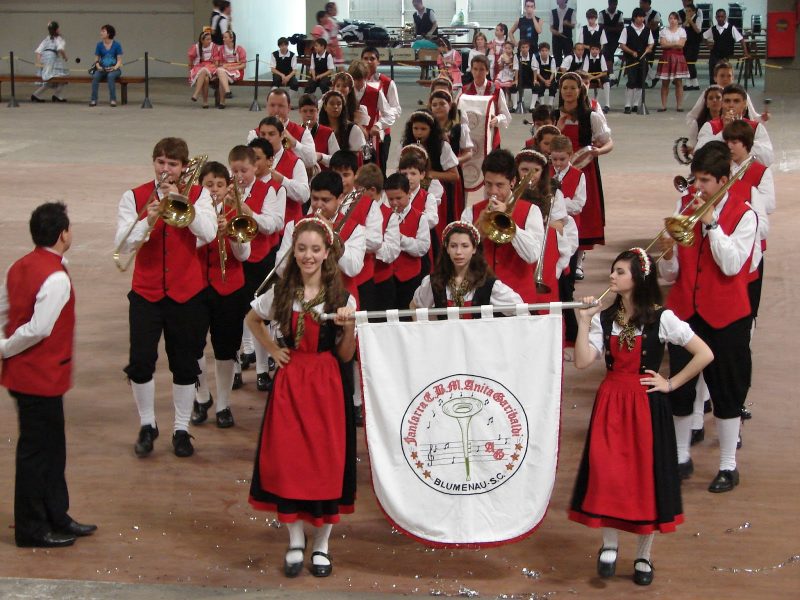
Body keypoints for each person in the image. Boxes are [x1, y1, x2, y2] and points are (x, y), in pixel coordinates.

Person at [569, 249, 713, 586]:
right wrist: (584, 322)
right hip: (611, 402)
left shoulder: (662, 318)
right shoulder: (605, 318)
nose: (613, 277)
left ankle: (644, 555)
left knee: (645, 480)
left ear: (637, 277)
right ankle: (609, 545)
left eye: (620, 272)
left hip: (646, 405)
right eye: (614, 271)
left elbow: (704, 353)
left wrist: (670, 383)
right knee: (606, 472)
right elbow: (581, 362)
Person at [246, 217, 357, 578]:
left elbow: (344, 356)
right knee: (289, 459)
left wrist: (350, 325)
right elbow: (252, 319)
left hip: (326, 383)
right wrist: (272, 350)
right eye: (301, 249)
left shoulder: (342, 297)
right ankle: (296, 539)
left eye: (315, 249)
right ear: (293, 252)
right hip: (291, 383)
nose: (308, 256)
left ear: (327, 254)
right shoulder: (280, 292)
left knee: (326, 461)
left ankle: (322, 543)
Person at [658, 142, 757, 493]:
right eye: (695, 180)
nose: (697, 188)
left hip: (727, 316)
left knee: (727, 391)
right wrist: (668, 254)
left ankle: (728, 465)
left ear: (723, 181)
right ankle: (681, 455)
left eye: (705, 181)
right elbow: (670, 274)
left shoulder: (745, 215)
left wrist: (712, 226)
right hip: (687, 312)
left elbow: (732, 265)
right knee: (681, 387)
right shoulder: (685, 207)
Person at [1, 202, 97, 548]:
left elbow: (4, 308)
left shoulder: (21, 266)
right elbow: (39, 329)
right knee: (37, 454)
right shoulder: (55, 276)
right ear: (63, 234)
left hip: (30, 376)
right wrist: (5, 347)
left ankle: (57, 514)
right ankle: (31, 528)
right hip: (37, 377)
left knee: (52, 449)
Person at [114, 138, 217, 458]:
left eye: (172, 164)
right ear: (153, 163)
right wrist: (150, 216)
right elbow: (122, 243)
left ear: (183, 167)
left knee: (185, 365)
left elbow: (210, 232)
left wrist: (181, 203)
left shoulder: (198, 195)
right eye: (160, 162)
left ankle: (181, 429)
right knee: (141, 362)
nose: (165, 168)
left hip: (187, 294)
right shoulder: (133, 197)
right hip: (146, 293)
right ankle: (148, 424)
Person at [192, 162, 252, 428]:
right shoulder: (192, 213)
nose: (214, 190)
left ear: (228, 186)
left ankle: (224, 405)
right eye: (209, 185)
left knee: (225, 349)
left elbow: (244, 255)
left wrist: (231, 233)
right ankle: (201, 396)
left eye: (219, 185)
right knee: (192, 346)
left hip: (229, 288)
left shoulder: (235, 211)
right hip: (195, 286)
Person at [461, 149, 544, 303]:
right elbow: (459, 256)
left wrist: (510, 224)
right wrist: (478, 229)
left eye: (500, 185)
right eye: (488, 184)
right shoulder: (470, 212)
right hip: (481, 295)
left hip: (518, 296)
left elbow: (532, 255)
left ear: (513, 182)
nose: (493, 191)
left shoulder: (531, 211)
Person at [554, 72, 613, 254]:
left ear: (580, 91)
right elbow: (542, 142)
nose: (568, 91)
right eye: (565, 88)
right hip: (555, 171)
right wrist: (558, 128)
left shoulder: (591, 116)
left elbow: (609, 142)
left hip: (584, 172)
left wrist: (598, 151)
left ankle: (578, 259)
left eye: (573, 88)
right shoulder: (554, 115)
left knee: (583, 215)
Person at [411, 221, 523, 314]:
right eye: (453, 246)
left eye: (465, 246)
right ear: (447, 249)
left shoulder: (488, 284)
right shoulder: (434, 282)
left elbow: (520, 310)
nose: (458, 252)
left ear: (474, 249)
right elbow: (415, 307)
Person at [695, 84, 773, 167]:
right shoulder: (710, 126)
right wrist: (724, 132)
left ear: (744, 105)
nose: (731, 105)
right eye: (727, 101)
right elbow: (699, 156)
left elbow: (768, 159)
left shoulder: (756, 127)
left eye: (736, 101)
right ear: (722, 104)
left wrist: (742, 137)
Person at [361, 47, 401, 173]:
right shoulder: (354, 82)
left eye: (372, 59)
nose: (368, 61)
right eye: (365, 58)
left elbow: (396, 109)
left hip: (380, 134)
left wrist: (379, 117)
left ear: (378, 62)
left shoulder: (387, 83)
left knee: (379, 170)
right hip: (360, 133)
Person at [461, 55, 513, 148]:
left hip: (491, 136)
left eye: (481, 69)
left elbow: (506, 116)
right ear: (471, 70)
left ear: (487, 71)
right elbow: (457, 114)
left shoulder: (496, 90)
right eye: (475, 69)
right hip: (470, 138)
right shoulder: (464, 91)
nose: (478, 73)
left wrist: (497, 119)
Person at [618, 8, 654, 114]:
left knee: (640, 82)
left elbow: (651, 43)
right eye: (640, 17)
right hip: (631, 59)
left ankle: (635, 104)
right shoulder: (627, 29)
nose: (642, 19)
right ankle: (627, 105)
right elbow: (622, 45)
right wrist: (631, 52)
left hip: (643, 59)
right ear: (635, 17)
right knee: (631, 81)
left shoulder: (647, 30)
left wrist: (649, 48)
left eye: (643, 17)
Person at [704, 9, 749, 85]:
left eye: (722, 16)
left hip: (726, 55)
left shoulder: (731, 28)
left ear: (725, 17)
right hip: (715, 55)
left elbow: (741, 39)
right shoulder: (713, 29)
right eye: (718, 17)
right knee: (713, 74)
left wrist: (745, 52)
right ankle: (713, 89)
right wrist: (708, 45)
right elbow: (704, 36)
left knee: (724, 74)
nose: (720, 18)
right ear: (716, 17)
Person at [319, 90, 367, 160]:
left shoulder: (352, 129)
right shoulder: (319, 128)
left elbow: (358, 155)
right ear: (325, 107)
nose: (335, 107)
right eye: (331, 104)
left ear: (342, 107)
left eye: (339, 104)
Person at [657, 12, 689, 112]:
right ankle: (663, 105)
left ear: (678, 20)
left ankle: (679, 105)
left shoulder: (682, 31)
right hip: (666, 58)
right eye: (670, 18)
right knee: (665, 82)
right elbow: (663, 45)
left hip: (678, 58)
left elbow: (681, 45)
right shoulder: (663, 31)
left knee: (679, 82)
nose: (672, 20)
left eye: (675, 18)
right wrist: (675, 43)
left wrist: (670, 43)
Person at [298, 93, 339, 172]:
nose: (308, 114)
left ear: (317, 110)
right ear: (300, 111)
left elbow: (338, 159)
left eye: (312, 111)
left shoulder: (328, 132)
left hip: (323, 179)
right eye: (305, 111)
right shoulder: (292, 132)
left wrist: (321, 157)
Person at [32, 21, 68, 103]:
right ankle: (56, 95)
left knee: (50, 79)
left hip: (45, 60)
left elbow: (38, 51)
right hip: (53, 61)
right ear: (57, 30)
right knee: (63, 78)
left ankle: (36, 94)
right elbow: (60, 49)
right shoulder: (59, 39)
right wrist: (65, 57)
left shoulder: (46, 39)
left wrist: (39, 63)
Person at [89, 24, 123, 107]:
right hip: (102, 68)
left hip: (114, 69)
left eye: (103, 31)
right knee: (95, 76)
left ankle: (113, 99)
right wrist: (98, 66)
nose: (101, 33)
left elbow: (119, 60)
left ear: (108, 34)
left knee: (111, 76)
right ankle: (93, 99)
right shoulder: (99, 45)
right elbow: (96, 58)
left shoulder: (117, 45)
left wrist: (114, 67)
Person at [215, 30, 246, 109]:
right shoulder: (221, 49)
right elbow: (219, 63)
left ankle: (223, 101)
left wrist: (232, 67)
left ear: (231, 39)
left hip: (237, 71)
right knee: (221, 72)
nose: (223, 39)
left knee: (221, 73)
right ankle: (227, 92)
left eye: (225, 37)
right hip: (225, 70)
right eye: (223, 37)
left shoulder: (239, 49)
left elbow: (243, 65)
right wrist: (222, 64)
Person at [686, 85, 723, 152]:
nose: (714, 100)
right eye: (710, 98)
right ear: (706, 103)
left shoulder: (728, 121)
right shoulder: (698, 123)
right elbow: (693, 145)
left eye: (718, 97)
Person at [188, 29, 218, 108]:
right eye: (207, 39)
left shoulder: (213, 46)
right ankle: (205, 102)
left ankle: (196, 94)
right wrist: (190, 70)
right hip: (198, 67)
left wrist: (216, 64)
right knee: (206, 79)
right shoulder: (196, 47)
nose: (210, 41)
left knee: (204, 70)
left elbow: (216, 59)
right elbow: (191, 60)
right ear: (202, 40)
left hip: (210, 67)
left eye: (210, 39)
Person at [679, 0, 703, 90]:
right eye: (686, 11)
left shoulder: (698, 18)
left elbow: (698, 30)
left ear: (694, 11)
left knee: (690, 62)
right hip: (686, 43)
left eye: (689, 11)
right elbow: (682, 28)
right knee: (686, 62)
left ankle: (693, 83)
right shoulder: (685, 19)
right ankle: (690, 83)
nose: (687, 13)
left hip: (694, 44)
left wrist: (691, 21)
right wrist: (686, 21)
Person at [598, 0, 623, 81]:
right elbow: (601, 27)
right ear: (609, 4)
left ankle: (610, 73)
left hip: (616, 39)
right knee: (608, 52)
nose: (614, 6)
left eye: (616, 5)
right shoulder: (602, 13)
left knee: (608, 52)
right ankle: (610, 74)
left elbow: (621, 28)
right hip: (604, 37)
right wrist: (614, 28)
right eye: (613, 5)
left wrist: (607, 28)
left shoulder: (619, 13)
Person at [583, 44, 610, 113]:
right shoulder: (587, 56)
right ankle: (587, 104)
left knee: (606, 81)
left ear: (599, 50)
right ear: (590, 50)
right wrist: (595, 78)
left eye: (597, 49)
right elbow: (585, 72)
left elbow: (604, 72)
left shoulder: (601, 56)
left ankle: (607, 105)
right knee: (585, 81)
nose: (594, 51)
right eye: (593, 49)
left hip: (599, 76)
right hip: (589, 76)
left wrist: (597, 78)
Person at [640, 0, 661, 85]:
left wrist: (645, 26)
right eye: (640, 3)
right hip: (641, 40)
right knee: (643, 58)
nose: (641, 5)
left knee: (649, 59)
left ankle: (648, 78)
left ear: (648, 3)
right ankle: (652, 76)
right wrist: (649, 25)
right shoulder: (639, 13)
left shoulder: (656, 14)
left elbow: (654, 27)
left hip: (652, 40)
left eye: (642, 3)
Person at [494, 41, 520, 110]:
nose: (507, 50)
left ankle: (514, 104)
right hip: (503, 73)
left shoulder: (514, 56)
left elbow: (516, 69)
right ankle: (505, 103)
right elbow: (500, 68)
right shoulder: (502, 56)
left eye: (509, 48)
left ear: (512, 49)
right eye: (505, 48)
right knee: (502, 87)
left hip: (511, 74)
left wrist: (516, 79)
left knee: (509, 88)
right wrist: (502, 62)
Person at [550, 0, 576, 67]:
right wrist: (554, 31)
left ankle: (567, 74)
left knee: (568, 56)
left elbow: (573, 25)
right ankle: (558, 75)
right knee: (557, 57)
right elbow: (551, 27)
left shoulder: (571, 11)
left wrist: (567, 23)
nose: (560, 1)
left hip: (567, 38)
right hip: (556, 38)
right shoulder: (553, 12)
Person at [533, 43, 557, 108]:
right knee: (540, 85)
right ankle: (542, 103)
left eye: (546, 50)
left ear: (549, 51)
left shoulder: (552, 59)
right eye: (542, 51)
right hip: (541, 77)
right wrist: (544, 81)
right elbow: (537, 73)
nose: (544, 52)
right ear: (539, 51)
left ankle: (550, 103)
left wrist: (549, 80)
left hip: (550, 77)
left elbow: (553, 72)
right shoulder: (536, 59)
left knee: (553, 85)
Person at [516, 40, 537, 113]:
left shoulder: (532, 55)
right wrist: (516, 80)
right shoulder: (517, 56)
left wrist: (535, 80)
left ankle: (532, 106)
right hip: (521, 76)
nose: (525, 49)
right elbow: (516, 69)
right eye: (523, 47)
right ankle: (521, 102)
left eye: (526, 47)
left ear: (529, 48)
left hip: (530, 76)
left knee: (536, 86)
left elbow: (535, 69)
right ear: (520, 48)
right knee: (517, 86)